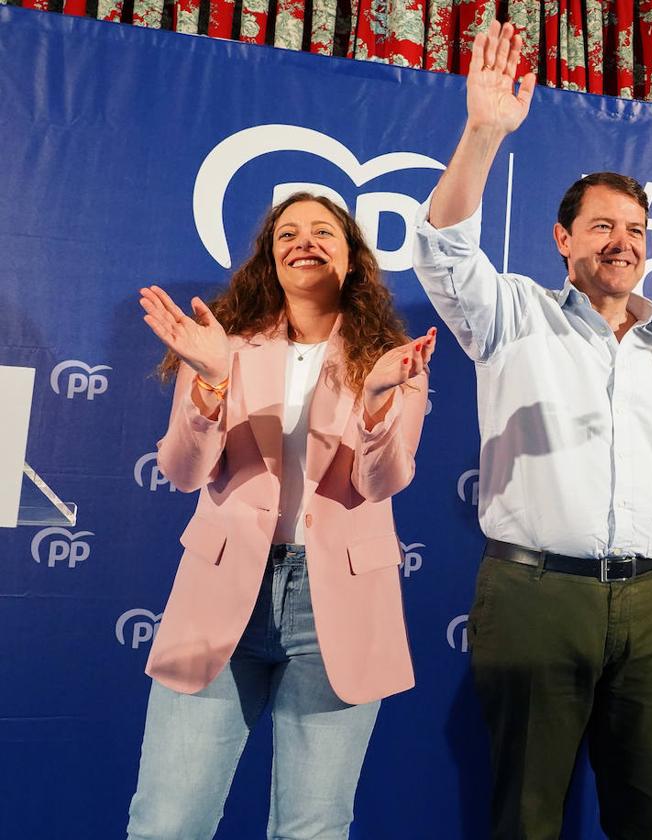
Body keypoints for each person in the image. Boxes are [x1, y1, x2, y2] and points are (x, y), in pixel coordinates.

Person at [411, 20, 652, 840]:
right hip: (536, 595)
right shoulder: (513, 313)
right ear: (564, 240)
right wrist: (481, 133)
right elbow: (439, 250)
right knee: (527, 820)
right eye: (605, 227)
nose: (623, 243)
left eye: (637, 231)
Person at [126, 192, 436, 840]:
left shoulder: (391, 359)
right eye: (288, 232)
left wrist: (378, 401)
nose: (305, 240)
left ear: (352, 259)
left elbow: (381, 483)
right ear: (269, 257)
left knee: (312, 829)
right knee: (167, 823)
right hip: (221, 595)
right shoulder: (222, 346)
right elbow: (183, 472)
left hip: (339, 608)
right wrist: (210, 381)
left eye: (325, 231)